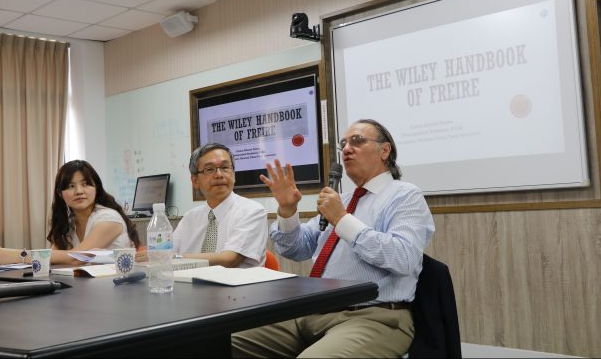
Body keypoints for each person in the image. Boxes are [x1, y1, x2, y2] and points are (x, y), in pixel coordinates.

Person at [232, 119, 435, 358]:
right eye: (344, 144)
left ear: (385, 150)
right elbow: (296, 249)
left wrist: (342, 219)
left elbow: (404, 258)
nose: (347, 148)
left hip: (375, 317)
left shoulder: (404, 195)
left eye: (357, 141)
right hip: (311, 313)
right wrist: (287, 211)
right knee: (218, 342)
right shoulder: (343, 199)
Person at [0, 160, 140, 265]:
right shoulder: (69, 222)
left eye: (86, 184)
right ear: (61, 193)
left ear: (97, 188)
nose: (79, 191)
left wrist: (17, 255)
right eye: (70, 186)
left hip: (118, 289)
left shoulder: (109, 218)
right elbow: (53, 257)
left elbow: (78, 257)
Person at [172, 143, 267, 268]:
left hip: (237, 286)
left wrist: (175, 258)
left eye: (225, 167)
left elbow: (229, 259)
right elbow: (165, 254)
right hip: (190, 285)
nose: (219, 175)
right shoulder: (190, 217)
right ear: (195, 181)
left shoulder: (252, 211)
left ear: (233, 174)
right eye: (210, 169)